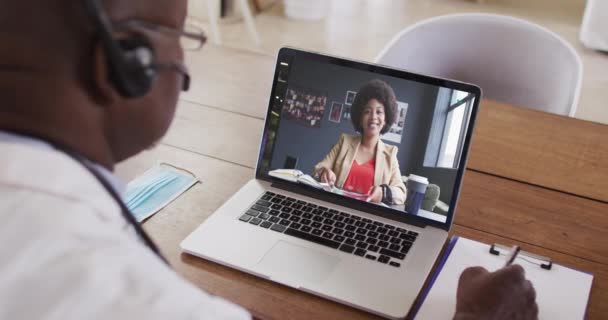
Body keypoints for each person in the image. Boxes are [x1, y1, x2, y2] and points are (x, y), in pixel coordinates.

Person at [0, 1, 538, 319]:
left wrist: (388, 194)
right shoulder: (124, 295)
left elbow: (397, 197)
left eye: (382, 113)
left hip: (380, 230)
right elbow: (320, 175)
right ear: (127, 63)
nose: (374, 119)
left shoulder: (394, 155)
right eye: (183, 37)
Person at [314, 79, 407, 204]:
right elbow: (318, 168)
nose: (373, 117)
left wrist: (383, 193)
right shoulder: (344, 142)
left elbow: (401, 193)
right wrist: (324, 173)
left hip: (367, 215)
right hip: (335, 205)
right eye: (367, 111)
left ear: (386, 119)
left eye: (379, 112)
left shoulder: (390, 154)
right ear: (360, 118)